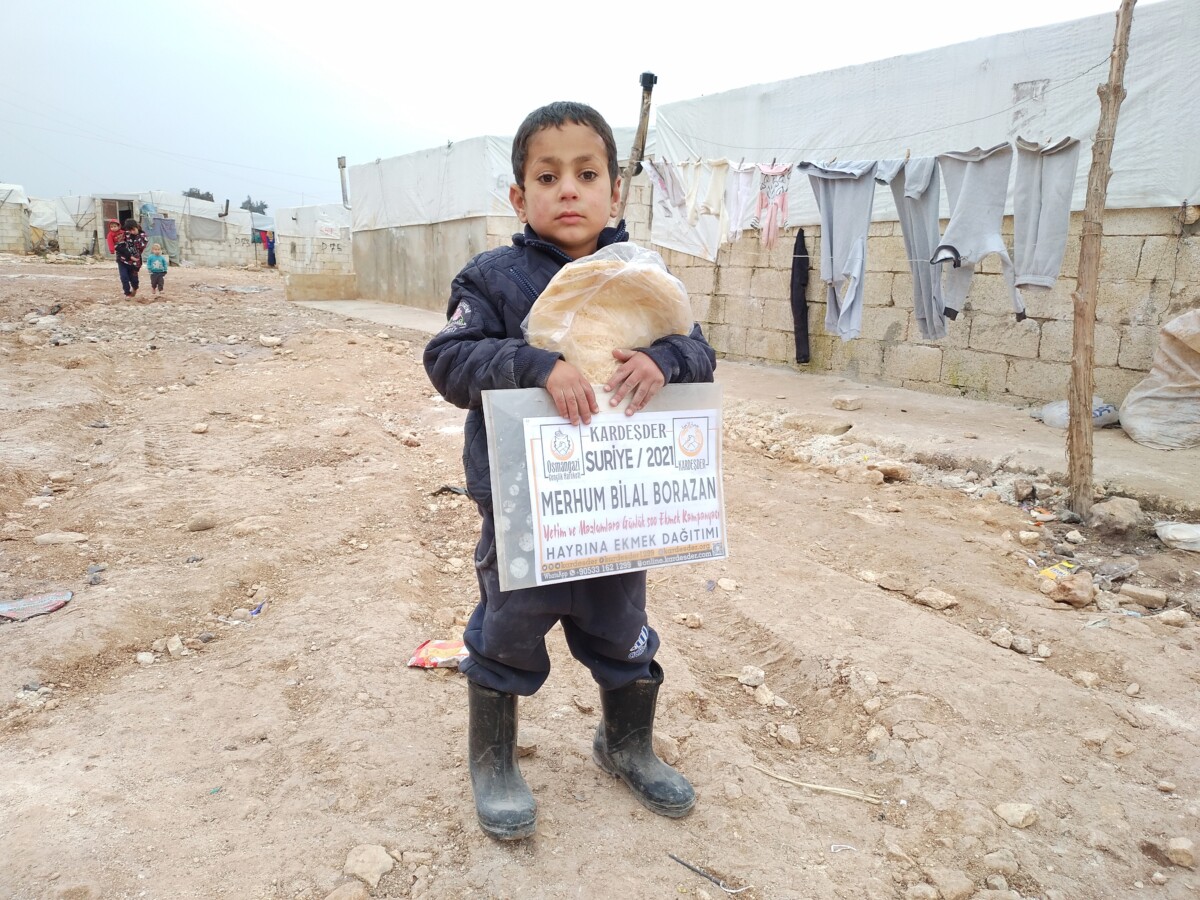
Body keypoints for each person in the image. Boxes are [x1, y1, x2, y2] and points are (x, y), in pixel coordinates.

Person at [423, 101, 716, 841]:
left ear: (616, 191)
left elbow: (701, 353)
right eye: (547, 176)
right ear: (519, 197)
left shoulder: (643, 278)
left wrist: (665, 358)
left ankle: (625, 744)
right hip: (526, 505)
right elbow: (448, 360)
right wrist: (535, 364)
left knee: (622, 627)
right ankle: (493, 759)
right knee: (511, 625)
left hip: (619, 507)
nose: (569, 190)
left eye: (587, 174)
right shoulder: (491, 279)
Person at [114, 218, 148, 298]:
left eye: (133, 229)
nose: (132, 232)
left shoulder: (143, 237)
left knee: (134, 280)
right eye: (130, 230)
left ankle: (135, 288)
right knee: (124, 277)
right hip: (122, 260)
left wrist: (132, 256)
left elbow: (140, 248)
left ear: (137, 227)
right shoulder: (125, 234)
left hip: (134, 263)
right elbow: (118, 246)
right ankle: (127, 293)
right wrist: (129, 255)